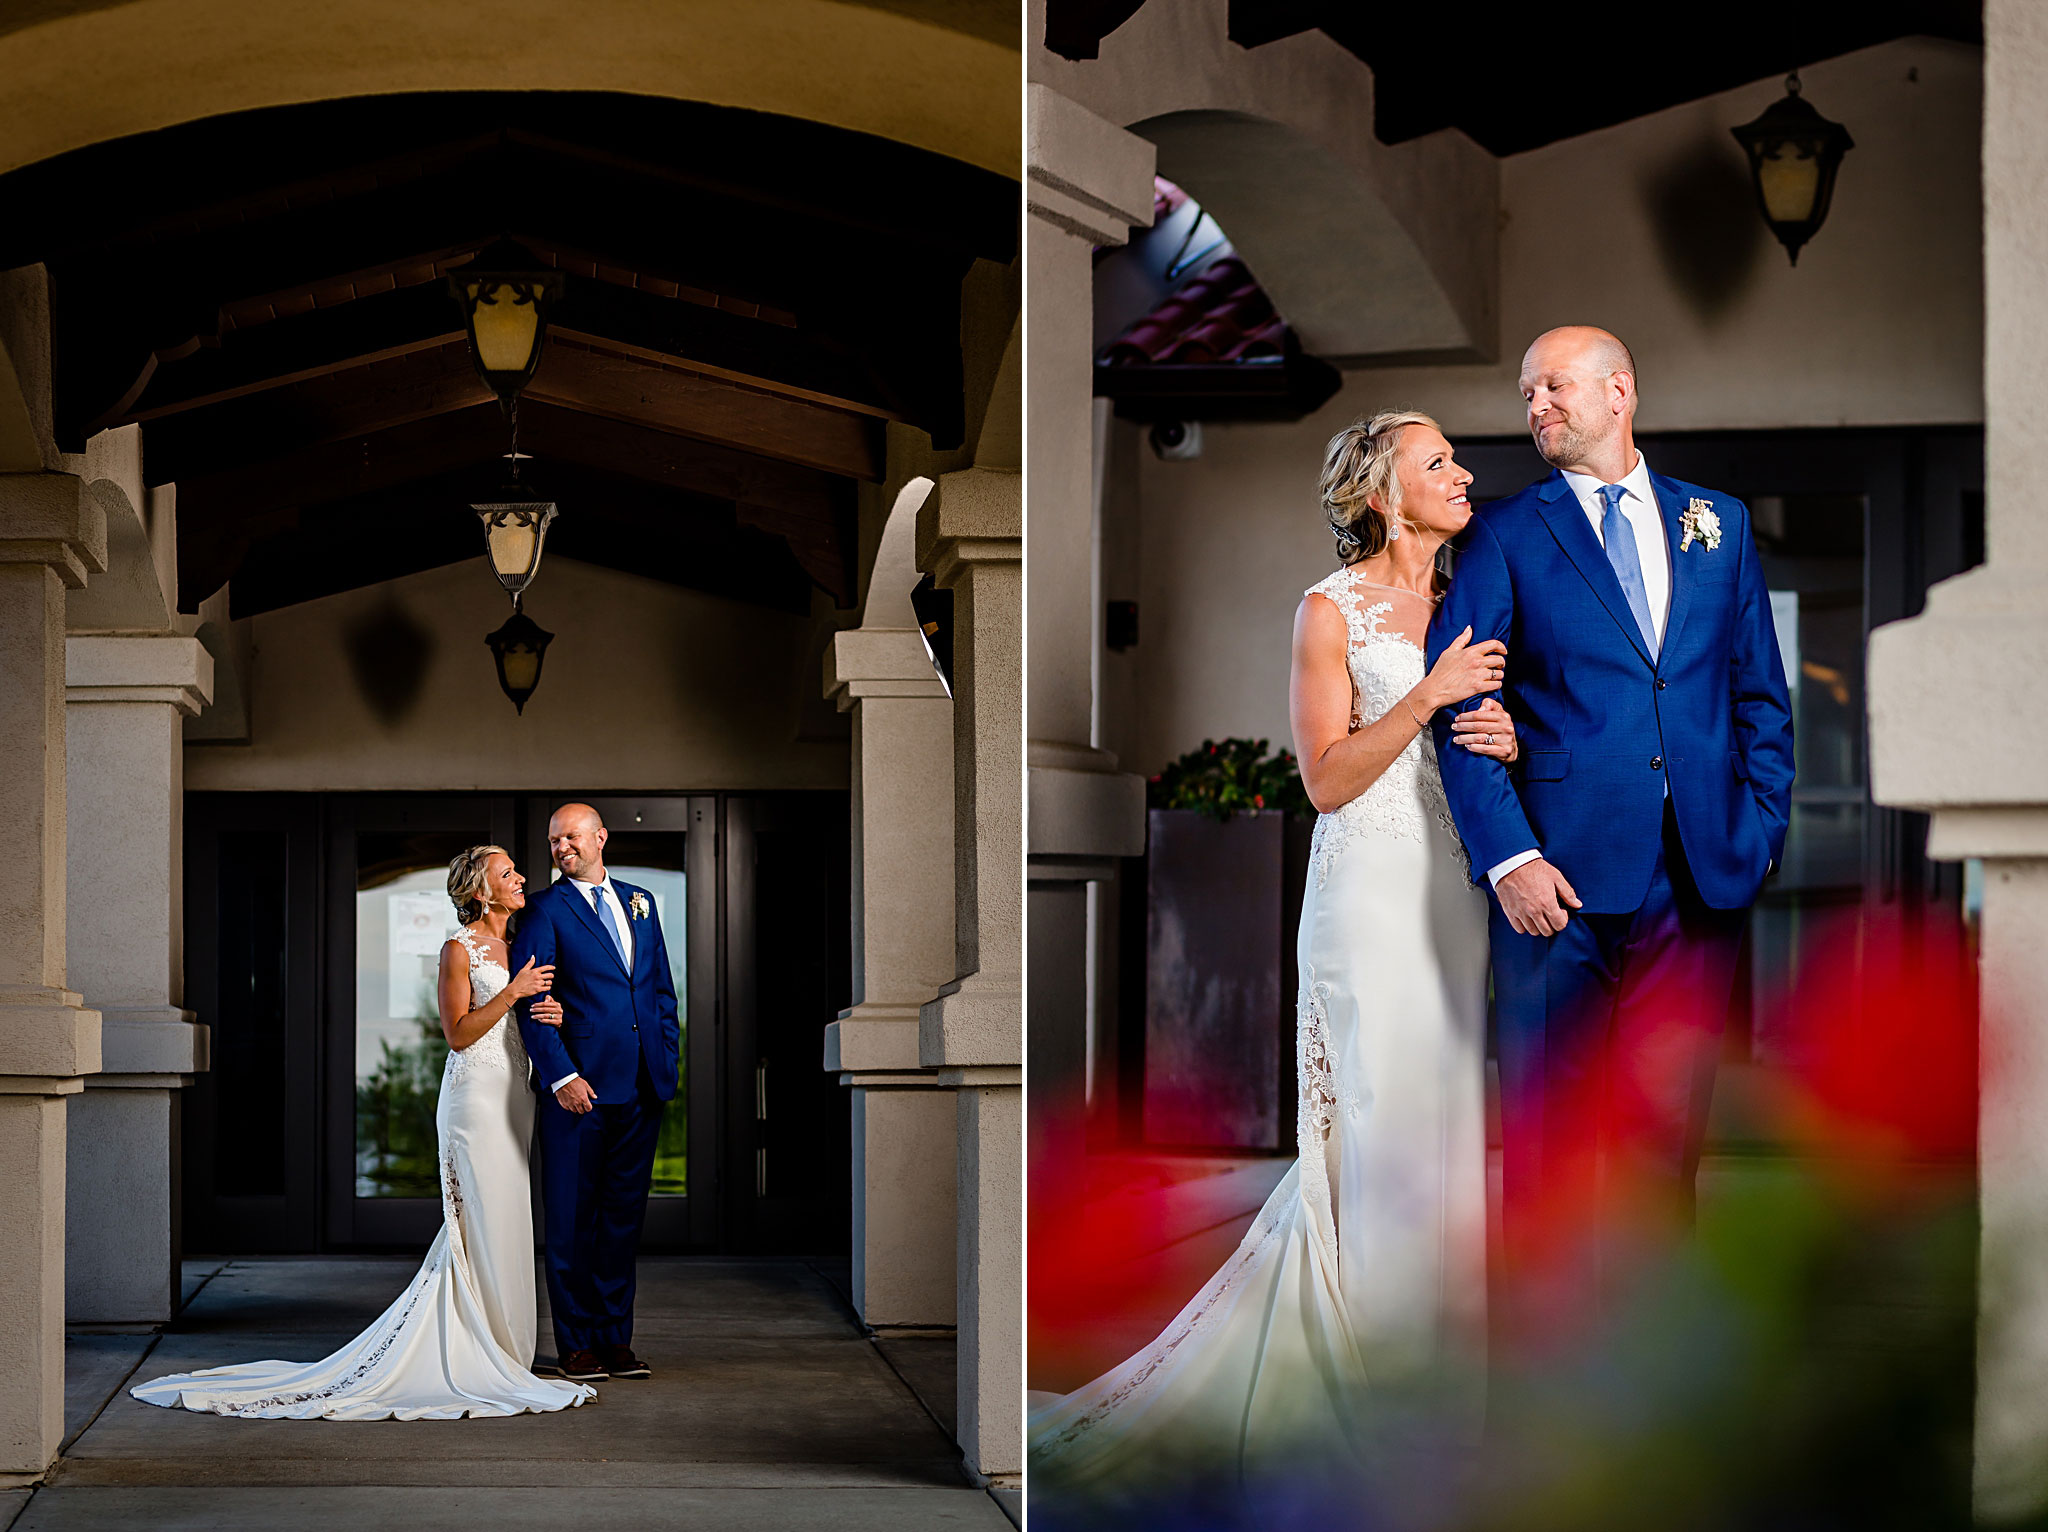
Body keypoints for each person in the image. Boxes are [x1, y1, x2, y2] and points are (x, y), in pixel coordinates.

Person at [1029, 410, 1517, 1488]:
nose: (1462, 472)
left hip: (1452, 892)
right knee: (1377, 1127)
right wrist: (1431, 697)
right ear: (1382, 492)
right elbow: (1328, 777)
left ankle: (1444, 1389)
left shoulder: (1478, 597)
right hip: (1368, 895)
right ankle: (1367, 1388)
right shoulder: (1327, 608)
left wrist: (1500, 729)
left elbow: (1502, 740)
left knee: (1446, 1127)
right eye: (1437, 461)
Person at [1426, 326, 1794, 1318]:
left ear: (1618, 389)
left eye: (1550, 386)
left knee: (1665, 1146)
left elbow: (1757, 694)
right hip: (1558, 887)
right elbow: (1461, 704)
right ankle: (1533, 1423)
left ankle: (1647, 1396)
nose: (1533, 405)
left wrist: (1758, 832)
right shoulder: (1503, 534)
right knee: (1545, 1149)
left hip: (1699, 880)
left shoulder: (1716, 522)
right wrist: (1506, 853)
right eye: (1524, 392)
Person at [131, 847, 594, 1419]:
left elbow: (531, 1014)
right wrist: (511, 993)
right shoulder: (459, 949)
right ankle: (474, 1351)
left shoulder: (522, 941)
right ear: (481, 892)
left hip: (515, 1098)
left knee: (507, 1219)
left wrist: (550, 1014)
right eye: (508, 874)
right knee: (477, 1221)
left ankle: (506, 1349)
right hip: (474, 1100)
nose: (521, 878)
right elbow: (458, 1032)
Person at [512, 802, 681, 1385]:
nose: (562, 848)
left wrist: (667, 1061)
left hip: (641, 1086)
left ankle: (616, 1341)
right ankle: (577, 1345)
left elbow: (660, 992)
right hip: (577, 1092)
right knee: (570, 1221)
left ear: (601, 837)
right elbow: (535, 1002)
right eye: (554, 840)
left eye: (572, 837)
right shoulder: (542, 910)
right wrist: (561, 1075)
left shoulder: (641, 901)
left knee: (621, 1222)